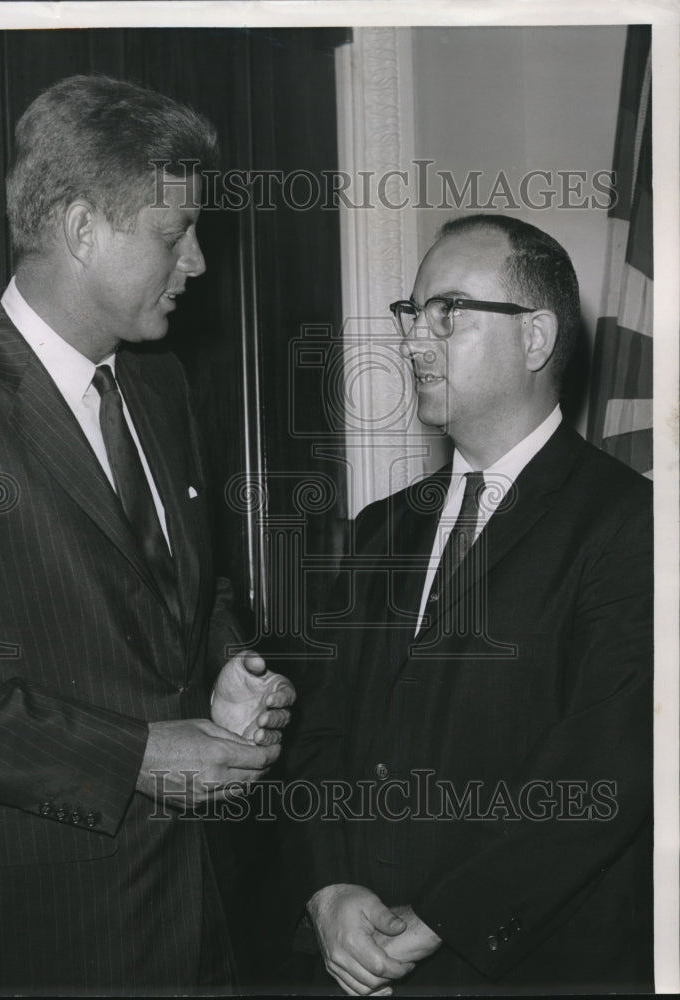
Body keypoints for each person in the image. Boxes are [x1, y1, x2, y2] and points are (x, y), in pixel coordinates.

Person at [0, 74, 294, 994]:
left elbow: (195, 601)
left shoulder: (159, 388)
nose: (196, 262)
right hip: (39, 937)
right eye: (173, 234)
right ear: (81, 229)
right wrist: (137, 757)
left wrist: (236, 669)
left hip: (206, 917)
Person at [285, 215, 652, 994]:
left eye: (446, 313)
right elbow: (318, 731)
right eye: (410, 315)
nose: (414, 341)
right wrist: (328, 891)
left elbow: (606, 771)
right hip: (353, 964)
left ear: (535, 338)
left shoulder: (631, 523)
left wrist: (444, 919)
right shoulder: (380, 526)